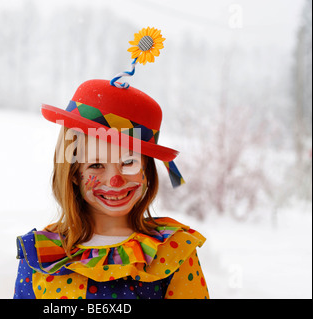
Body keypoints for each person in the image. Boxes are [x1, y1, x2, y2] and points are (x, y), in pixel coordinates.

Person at [14, 27, 209, 299]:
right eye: (96, 165)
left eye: (128, 162)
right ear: (73, 173)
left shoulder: (173, 252)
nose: (114, 180)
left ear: (146, 170)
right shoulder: (43, 255)